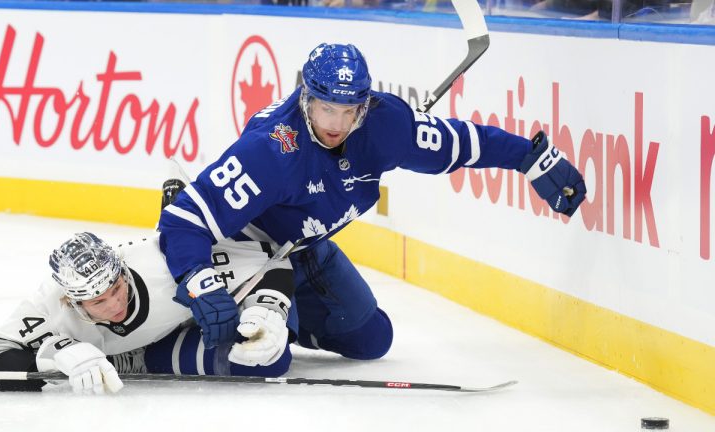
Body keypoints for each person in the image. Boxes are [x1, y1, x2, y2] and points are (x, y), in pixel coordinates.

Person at [158, 43, 587, 365]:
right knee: (270, 362)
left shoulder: (383, 123)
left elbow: (455, 144)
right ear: (305, 97)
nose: (338, 125)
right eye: (327, 109)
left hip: (307, 249)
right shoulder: (271, 150)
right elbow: (183, 220)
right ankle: (185, 337)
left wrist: (529, 158)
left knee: (371, 339)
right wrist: (200, 281)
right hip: (249, 253)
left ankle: (284, 323)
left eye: (350, 111)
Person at [0, 177, 297, 394]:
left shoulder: (160, 263)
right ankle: (130, 356)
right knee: (264, 360)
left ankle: (174, 207)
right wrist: (59, 351)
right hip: (152, 344)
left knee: (271, 351)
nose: (115, 305)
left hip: (186, 297)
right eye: (98, 302)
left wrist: (266, 308)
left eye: (116, 288)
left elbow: (271, 259)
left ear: (123, 271)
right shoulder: (50, 305)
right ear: (72, 302)